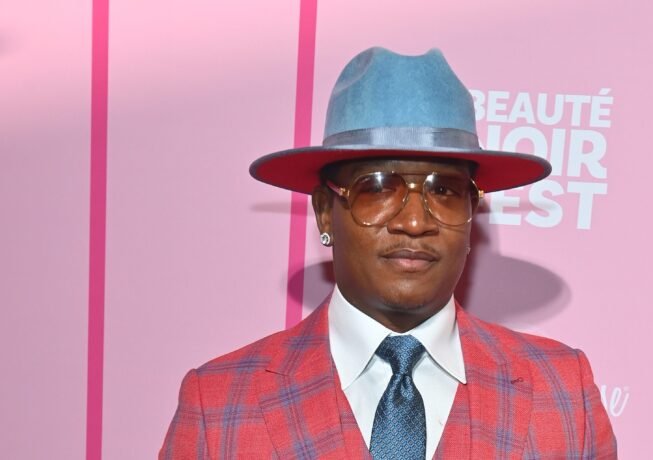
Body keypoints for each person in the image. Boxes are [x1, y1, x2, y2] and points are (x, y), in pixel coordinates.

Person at [160, 47, 617, 459]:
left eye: (444, 190)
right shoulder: (218, 405)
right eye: (377, 188)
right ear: (325, 212)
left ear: (472, 213)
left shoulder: (563, 393)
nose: (414, 222)